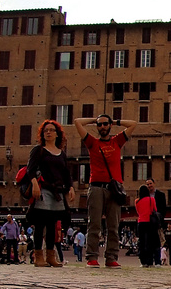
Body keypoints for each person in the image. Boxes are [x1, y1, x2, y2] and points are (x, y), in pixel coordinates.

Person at [73, 113, 135, 267]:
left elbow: (133, 124)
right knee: (94, 224)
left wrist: (115, 121)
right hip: (96, 187)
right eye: (99, 125)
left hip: (113, 189)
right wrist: (94, 119)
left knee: (113, 225)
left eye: (105, 124)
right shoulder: (92, 143)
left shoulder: (117, 142)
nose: (102, 127)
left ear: (110, 126)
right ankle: (92, 257)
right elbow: (77, 122)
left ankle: (111, 258)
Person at [23, 120, 73, 268]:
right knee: (40, 224)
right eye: (46, 131)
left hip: (57, 192)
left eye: (51, 130)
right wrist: (34, 185)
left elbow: (66, 173)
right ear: (42, 134)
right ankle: (38, 256)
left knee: (52, 225)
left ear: (57, 134)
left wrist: (70, 187)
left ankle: (51, 256)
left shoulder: (61, 154)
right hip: (43, 189)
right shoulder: (38, 150)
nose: (49, 133)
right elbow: (30, 169)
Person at [134, 184, 159, 267]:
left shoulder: (137, 201)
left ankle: (143, 261)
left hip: (141, 222)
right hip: (149, 222)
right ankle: (150, 261)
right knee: (150, 242)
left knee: (141, 242)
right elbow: (154, 210)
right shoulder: (151, 199)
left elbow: (138, 212)